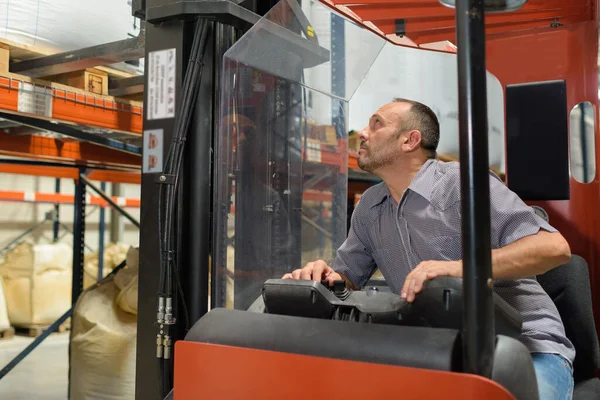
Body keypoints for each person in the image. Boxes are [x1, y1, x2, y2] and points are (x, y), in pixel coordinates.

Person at [283, 98, 576, 400]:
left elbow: (553, 247)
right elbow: (347, 278)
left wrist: (453, 269)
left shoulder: (463, 184)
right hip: (439, 354)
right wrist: (323, 276)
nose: (363, 133)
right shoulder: (370, 207)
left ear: (409, 140)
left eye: (377, 124)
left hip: (525, 349)